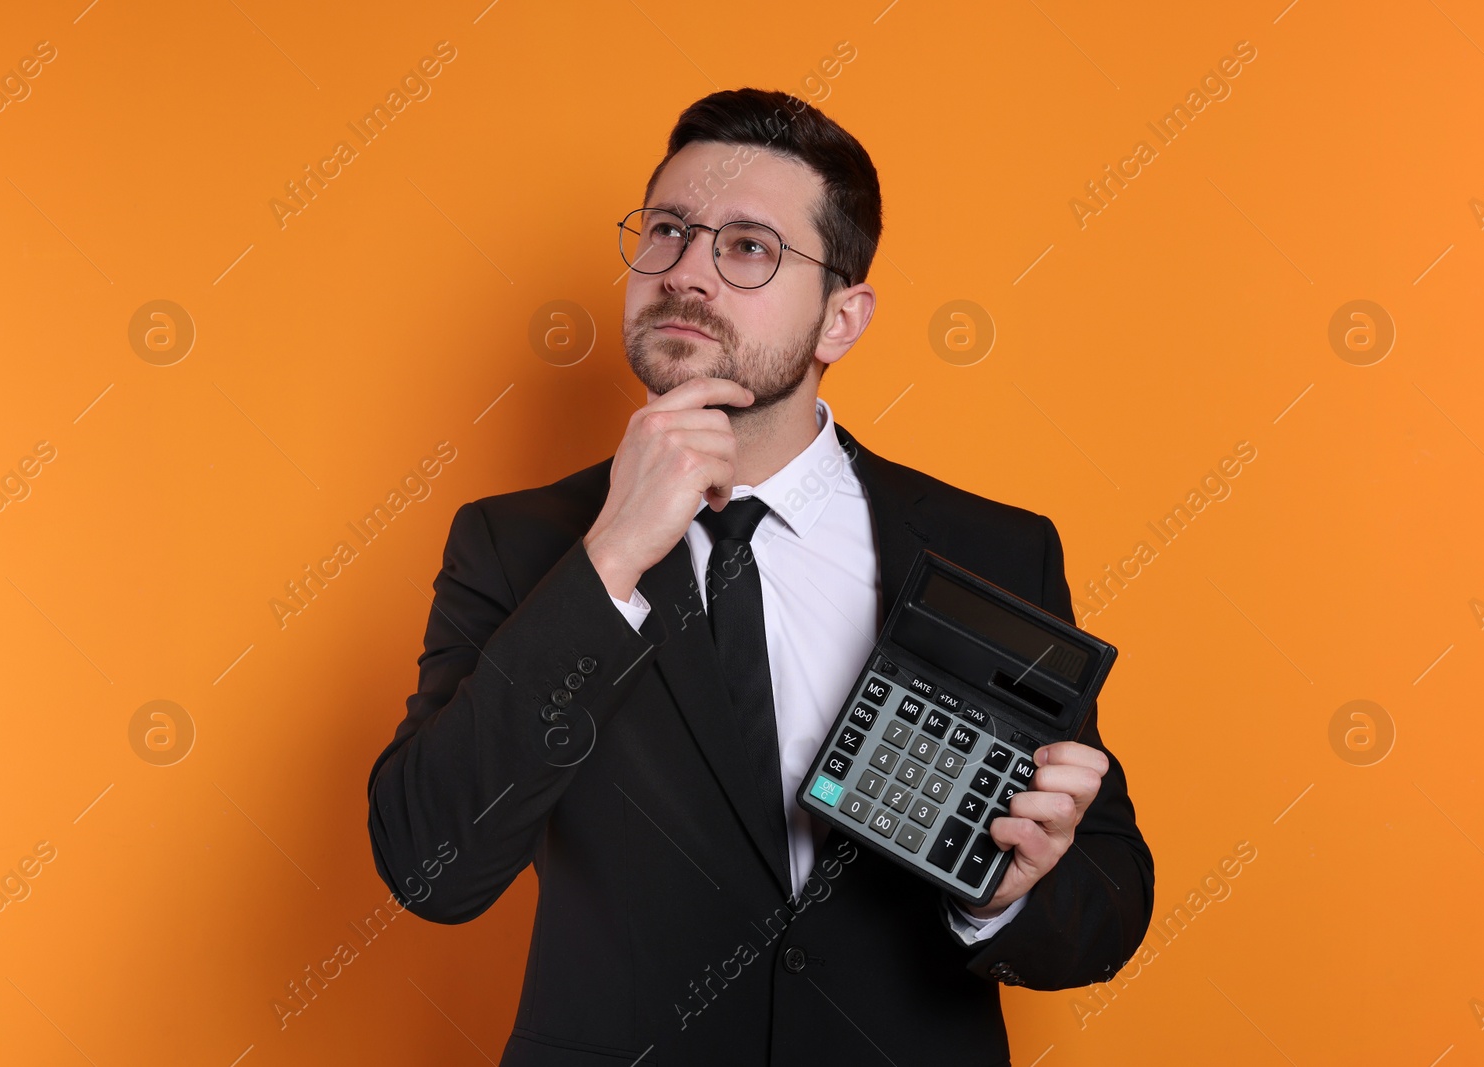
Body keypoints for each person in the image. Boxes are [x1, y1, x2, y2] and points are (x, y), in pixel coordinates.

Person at [367, 87, 1154, 1066]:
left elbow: (1109, 896)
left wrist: (1009, 889)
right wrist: (610, 553)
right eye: (667, 231)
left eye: (746, 247)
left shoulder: (990, 548)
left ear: (840, 318)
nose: (686, 272)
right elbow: (431, 866)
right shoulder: (517, 545)